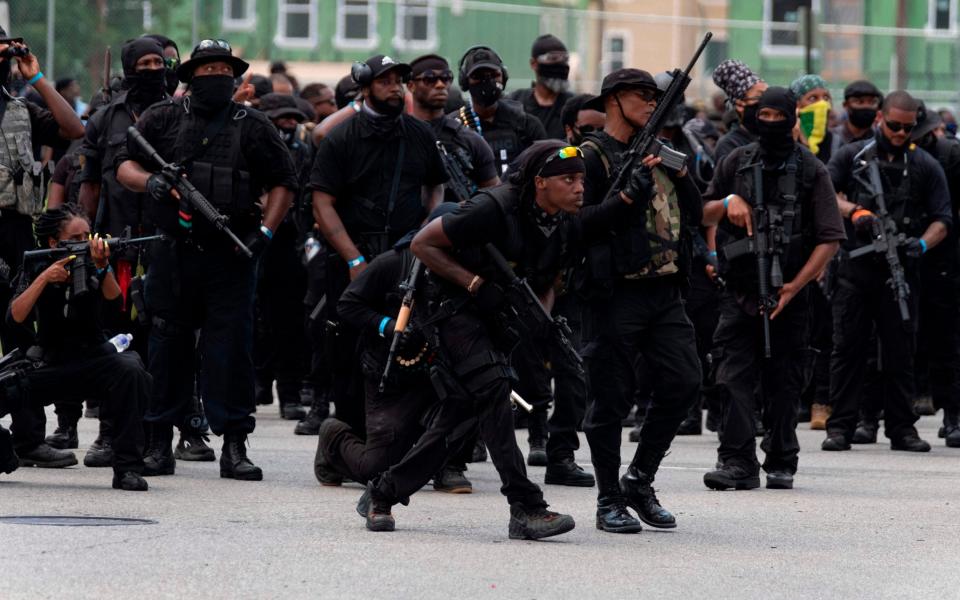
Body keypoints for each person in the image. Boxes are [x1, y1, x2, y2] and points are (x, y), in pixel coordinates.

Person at [362, 139, 631, 537]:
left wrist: (538, 317)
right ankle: (526, 507)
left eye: (582, 180)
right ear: (540, 182)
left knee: (462, 413)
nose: (580, 188)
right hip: (450, 308)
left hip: (499, 314)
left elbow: (547, 280)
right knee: (494, 389)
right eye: (569, 179)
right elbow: (422, 245)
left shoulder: (565, 222)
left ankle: (383, 493)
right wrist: (472, 283)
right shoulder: (494, 207)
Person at [116, 38, 298, 480]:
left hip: (231, 252)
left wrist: (266, 233)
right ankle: (159, 441)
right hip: (174, 252)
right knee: (166, 346)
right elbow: (125, 165)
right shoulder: (161, 118)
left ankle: (234, 444)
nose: (216, 77)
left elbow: (284, 183)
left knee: (231, 349)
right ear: (190, 77)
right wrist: (152, 182)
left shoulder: (252, 125)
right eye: (207, 70)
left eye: (224, 71)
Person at [577, 68, 702, 533]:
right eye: (641, 95)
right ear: (613, 100)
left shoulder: (660, 151)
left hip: (665, 290)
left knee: (686, 381)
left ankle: (640, 479)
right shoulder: (590, 157)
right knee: (609, 398)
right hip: (614, 293)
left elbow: (694, 208)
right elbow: (575, 223)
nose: (652, 103)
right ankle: (608, 498)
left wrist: (682, 173)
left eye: (656, 96)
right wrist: (625, 199)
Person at [700, 87, 844, 490]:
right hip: (739, 290)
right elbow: (703, 211)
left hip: (791, 295)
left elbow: (830, 238)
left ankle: (781, 459)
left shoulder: (812, 170)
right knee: (731, 375)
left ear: (792, 118)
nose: (770, 124)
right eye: (762, 116)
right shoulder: (735, 161)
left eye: (778, 117)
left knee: (784, 380)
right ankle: (736, 461)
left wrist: (794, 288)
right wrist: (729, 201)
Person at [309, 54, 446, 437]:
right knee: (348, 347)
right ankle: (348, 440)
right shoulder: (342, 136)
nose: (394, 87)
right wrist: (353, 258)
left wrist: (426, 235)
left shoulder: (418, 134)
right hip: (353, 256)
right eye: (385, 81)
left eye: (399, 80)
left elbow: (435, 185)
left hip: (406, 255)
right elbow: (322, 201)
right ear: (366, 87)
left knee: (414, 343)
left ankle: (408, 439)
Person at [823, 90, 952, 453]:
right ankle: (841, 426)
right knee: (848, 349)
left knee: (900, 351)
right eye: (893, 125)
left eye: (907, 128)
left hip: (902, 270)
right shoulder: (852, 155)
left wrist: (922, 244)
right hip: (856, 267)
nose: (899, 133)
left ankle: (901, 427)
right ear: (880, 118)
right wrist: (855, 212)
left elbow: (943, 218)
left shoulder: (925, 164)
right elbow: (825, 194)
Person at [315, 203, 475, 493]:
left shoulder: (467, 270)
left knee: (481, 391)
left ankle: (449, 464)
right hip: (392, 378)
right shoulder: (394, 262)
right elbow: (348, 305)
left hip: (438, 375)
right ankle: (334, 439)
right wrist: (388, 326)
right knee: (376, 469)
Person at [7, 206, 152, 491]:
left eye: (88, 235)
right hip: (50, 362)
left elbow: (115, 306)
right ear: (53, 243)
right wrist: (45, 279)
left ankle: (127, 469)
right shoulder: (37, 266)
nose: (87, 241)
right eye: (77, 237)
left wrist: (103, 266)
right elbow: (15, 317)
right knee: (5, 385)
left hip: (93, 359)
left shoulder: (96, 263)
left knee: (132, 371)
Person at [0, 29, 85, 468]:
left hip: (15, 234)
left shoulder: (22, 108)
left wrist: (37, 77)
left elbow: (74, 129)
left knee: (20, 337)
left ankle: (28, 437)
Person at [252, 93, 315, 425]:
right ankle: (255, 385)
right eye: (281, 119)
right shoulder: (248, 146)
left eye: (293, 118)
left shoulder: (304, 153)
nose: (288, 125)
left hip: (288, 244)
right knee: (250, 322)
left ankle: (289, 396)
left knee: (289, 323)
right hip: (249, 239)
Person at [910, 103, 960, 448]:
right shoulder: (881, 155)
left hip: (945, 257)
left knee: (947, 342)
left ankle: (953, 415)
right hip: (906, 254)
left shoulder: (949, 154)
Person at [406, 54, 498, 201]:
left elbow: (494, 197)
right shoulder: (398, 136)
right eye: (430, 79)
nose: (440, 85)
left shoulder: (470, 140)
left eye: (446, 78)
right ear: (411, 85)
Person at [452, 46, 546, 175]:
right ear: (465, 82)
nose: (487, 81)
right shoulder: (455, 127)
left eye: (493, 75)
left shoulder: (526, 124)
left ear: (504, 77)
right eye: (478, 76)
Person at [508, 34, 574, 140]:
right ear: (533, 63)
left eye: (565, 59)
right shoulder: (515, 102)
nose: (561, 64)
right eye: (553, 58)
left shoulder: (574, 106)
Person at [711, 59, 767, 165]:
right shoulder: (729, 145)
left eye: (768, 93)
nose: (767, 101)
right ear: (740, 104)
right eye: (760, 96)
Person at [832, 80, 883, 146]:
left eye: (872, 102)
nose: (866, 106)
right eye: (859, 102)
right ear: (846, 105)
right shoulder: (832, 139)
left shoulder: (880, 139)